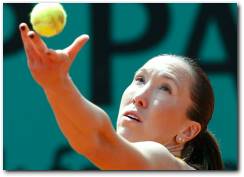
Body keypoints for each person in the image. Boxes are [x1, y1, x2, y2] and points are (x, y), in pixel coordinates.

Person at [19, 22, 224, 170]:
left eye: (165, 88)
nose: (139, 96)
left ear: (188, 131)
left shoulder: (164, 162)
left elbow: (98, 140)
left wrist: (57, 83)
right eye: (140, 79)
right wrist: (55, 84)